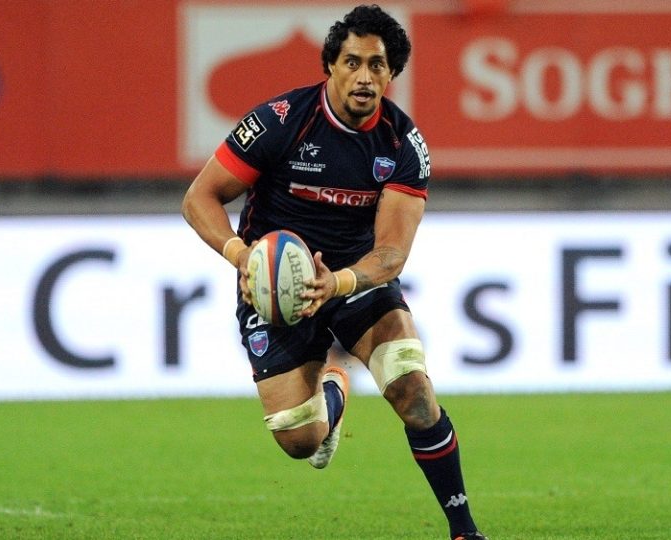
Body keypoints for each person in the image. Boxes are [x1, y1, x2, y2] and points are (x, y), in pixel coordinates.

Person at [182, 5, 486, 539]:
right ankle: (334, 389)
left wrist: (339, 283)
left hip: (354, 281)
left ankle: (464, 530)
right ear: (331, 65)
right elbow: (199, 198)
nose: (365, 76)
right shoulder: (280, 121)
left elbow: (391, 254)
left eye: (378, 65)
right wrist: (242, 256)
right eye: (353, 62)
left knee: (412, 388)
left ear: (392, 75)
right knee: (300, 441)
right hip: (273, 288)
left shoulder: (402, 144)